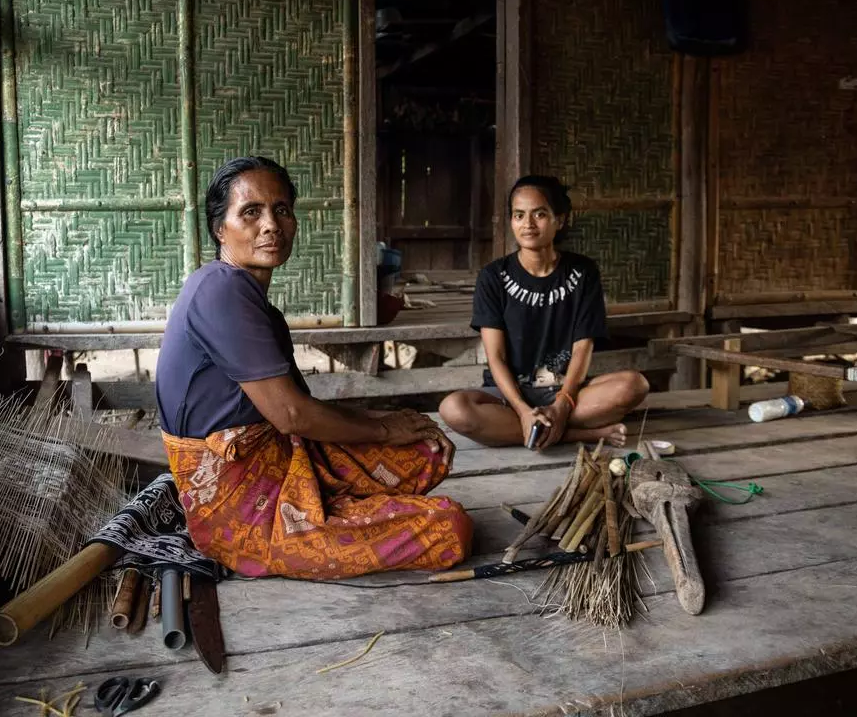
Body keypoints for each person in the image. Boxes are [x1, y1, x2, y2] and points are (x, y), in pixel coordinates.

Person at [156, 156, 473, 580]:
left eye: (282, 210)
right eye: (251, 212)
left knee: (424, 451)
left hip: (284, 456)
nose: (271, 224)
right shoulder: (221, 291)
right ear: (220, 229)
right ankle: (309, 525)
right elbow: (292, 415)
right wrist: (382, 429)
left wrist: (389, 419)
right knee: (449, 527)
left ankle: (337, 506)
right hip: (240, 509)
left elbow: (299, 409)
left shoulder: (249, 298)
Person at [439, 175, 649, 451]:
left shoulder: (583, 272)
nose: (528, 224)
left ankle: (545, 425)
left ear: (559, 220)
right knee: (454, 409)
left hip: (566, 391)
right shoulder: (493, 277)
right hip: (508, 397)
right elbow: (496, 357)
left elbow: (582, 348)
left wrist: (562, 404)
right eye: (519, 215)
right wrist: (524, 410)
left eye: (539, 214)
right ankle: (580, 433)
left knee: (634, 385)